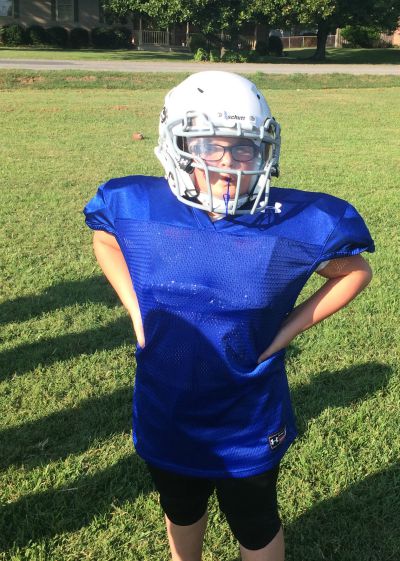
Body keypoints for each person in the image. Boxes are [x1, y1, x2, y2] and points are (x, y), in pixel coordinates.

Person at [84, 71, 374, 561]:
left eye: (244, 147)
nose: (228, 163)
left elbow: (354, 271)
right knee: (180, 507)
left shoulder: (296, 223)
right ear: (177, 145)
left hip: (247, 412)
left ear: (266, 150)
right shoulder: (135, 206)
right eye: (209, 146)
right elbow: (105, 238)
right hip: (165, 402)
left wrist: (285, 332)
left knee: (255, 521)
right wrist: (135, 309)